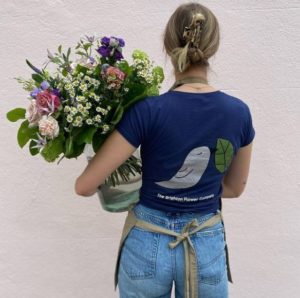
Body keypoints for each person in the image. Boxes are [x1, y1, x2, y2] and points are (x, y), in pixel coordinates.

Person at [75, 2, 255, 297]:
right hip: (205, 240)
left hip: (148, 238)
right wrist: (198, 190)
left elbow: (84, 186)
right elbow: (234, 188)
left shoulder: (147, 111)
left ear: (168, 45)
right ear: (213, 46)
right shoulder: (239, 113)